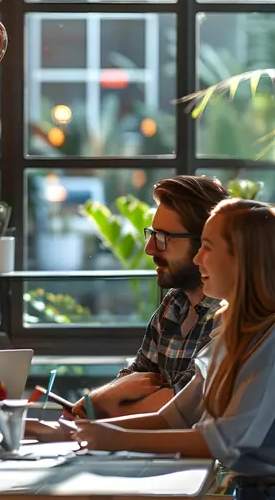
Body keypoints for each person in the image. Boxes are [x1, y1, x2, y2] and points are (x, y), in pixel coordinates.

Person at [53, 198, 275, 500]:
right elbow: (170, 416)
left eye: (208, 246)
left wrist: (112, 436)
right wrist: (68, 432)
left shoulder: (270, 340)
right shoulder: (233, 331)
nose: (197, 257)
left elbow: (220, 442)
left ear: (242, 258)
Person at [71, 176, 229, 420]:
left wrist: (99, 406)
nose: (150, 249)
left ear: (203, 244)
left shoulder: (230, 313)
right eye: (152, 234)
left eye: (164, 238)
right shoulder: (173, 305)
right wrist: (104, 399)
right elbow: (136, 378)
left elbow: (183, 407)